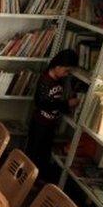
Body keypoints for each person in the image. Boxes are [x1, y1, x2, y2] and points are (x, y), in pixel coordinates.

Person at [26, 49, 79, 183]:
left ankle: (38, 178)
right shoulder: (45, 80)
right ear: (58, 66)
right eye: (66, 71)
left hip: (50, 123)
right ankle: (27, 180)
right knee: (34, 152)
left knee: (45, 152)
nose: (66, 74)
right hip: (39, 123)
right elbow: (42, 103)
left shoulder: (60, 81)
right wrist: (66, 104)